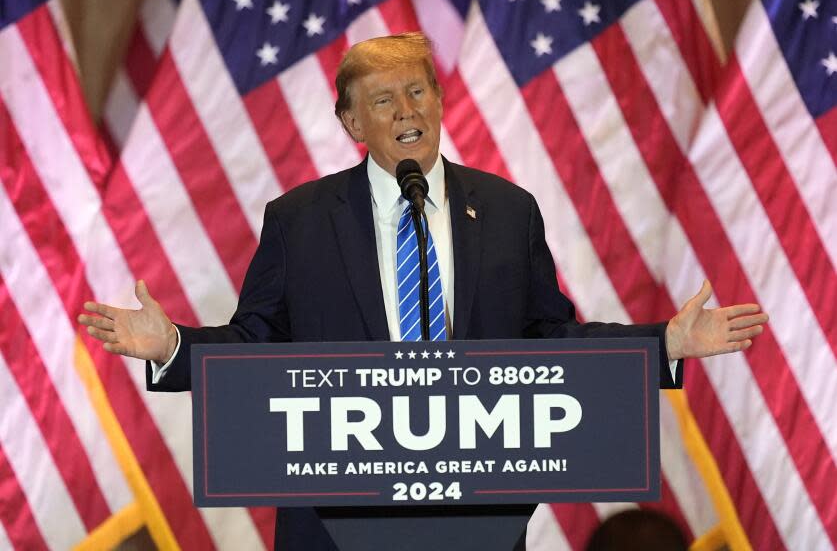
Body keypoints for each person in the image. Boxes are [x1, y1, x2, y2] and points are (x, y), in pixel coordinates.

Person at [79, 33, 768, 549]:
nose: (406, 110)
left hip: (473, 515)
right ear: (352, 124)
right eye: (383, 99)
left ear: (438, 102)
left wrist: (664, 343)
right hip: (335, 521)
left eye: (417, 92)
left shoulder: (506, 210)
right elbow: (257, 346)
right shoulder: (300, 221)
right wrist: (169, 345)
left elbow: (547, 338)